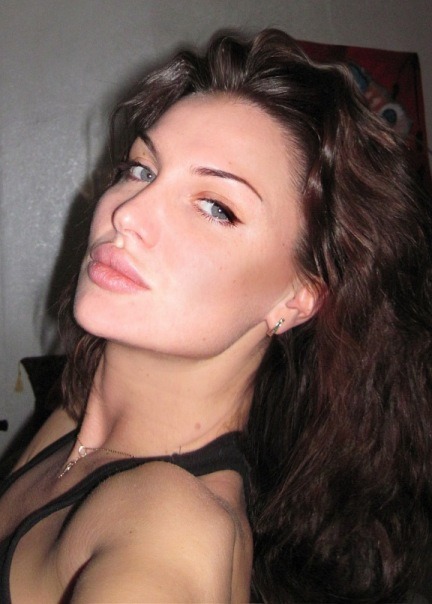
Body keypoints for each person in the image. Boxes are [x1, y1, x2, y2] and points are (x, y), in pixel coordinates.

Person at [1, 27, 431, 603]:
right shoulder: (76, 414)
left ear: (298, 297)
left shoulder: (171, 529)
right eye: (141, 169)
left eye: (216, 207)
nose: (128, 214)